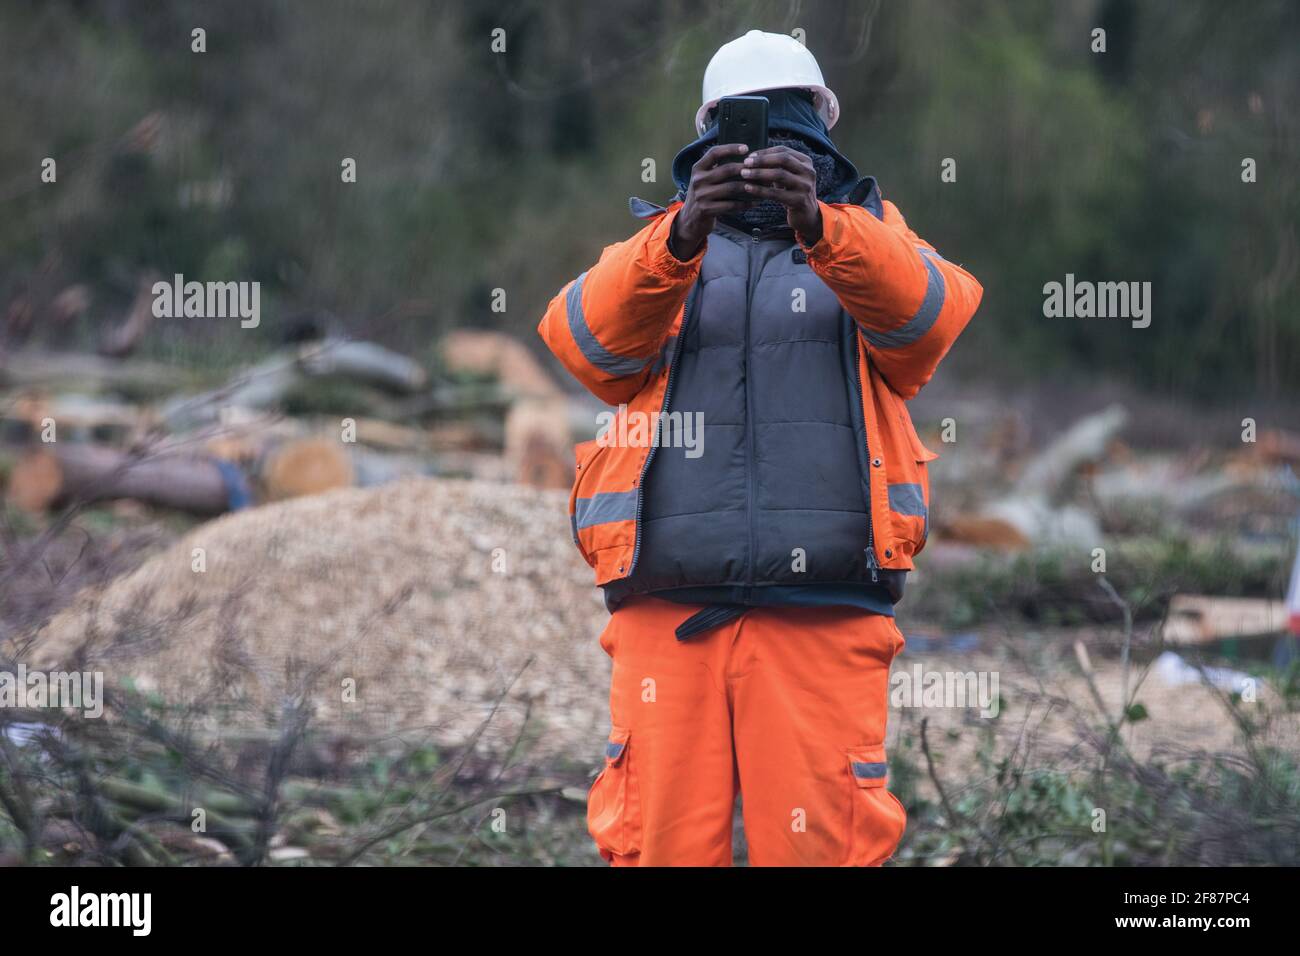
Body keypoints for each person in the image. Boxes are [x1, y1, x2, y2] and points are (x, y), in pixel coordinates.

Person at [538, 30, 982, 866]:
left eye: (789, 130)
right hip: (666, 617)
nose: (769, 150)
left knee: (826, 852)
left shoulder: (869, 239)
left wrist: (821, 224)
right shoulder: (663, 245)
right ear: (710, 138)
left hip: (824, 617)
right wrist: (681, 237)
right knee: (657, 850)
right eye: (751, 131)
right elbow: (586, 348)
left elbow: (929, 322)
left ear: (821, 135)